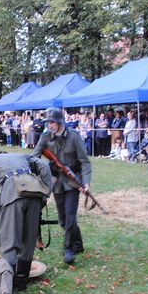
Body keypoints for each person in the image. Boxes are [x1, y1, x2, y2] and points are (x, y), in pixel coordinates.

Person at [0, 150, 51, 292]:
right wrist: (45, 193)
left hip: (12, 195)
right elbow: (44, 166)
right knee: (28, 240)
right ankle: (21, 281)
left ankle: (7, 285)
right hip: (35, 194)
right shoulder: (21, 156)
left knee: (8, 241)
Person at [33, 107, 92, 264]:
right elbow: (34, 157)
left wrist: (86, 182)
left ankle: (68, 248)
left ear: (59, 122)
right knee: (63, 220)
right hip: (57, 182)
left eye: (51, 122)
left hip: (73, 182)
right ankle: (78, 244)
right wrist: (44, 173)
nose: (49, 125)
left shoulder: (74, 137)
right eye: (48, 122)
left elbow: (85, 161)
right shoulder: (46, 137)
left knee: (70, 215)